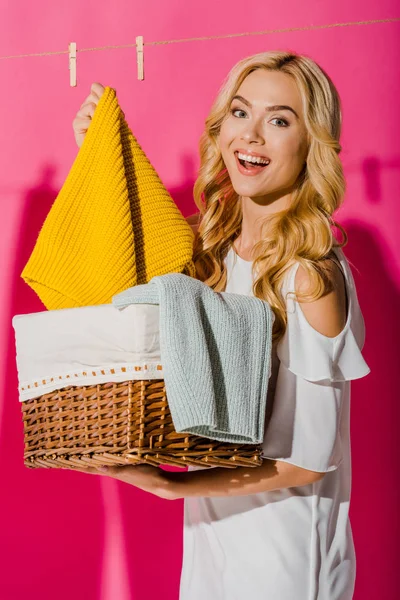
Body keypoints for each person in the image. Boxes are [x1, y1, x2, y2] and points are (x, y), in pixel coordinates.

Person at [73, 50, 371, 599]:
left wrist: (169, 488)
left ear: (312, 144)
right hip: (213, 539)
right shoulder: (210, 250)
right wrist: (97, 156)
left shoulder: (310, 273)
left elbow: (310, 460)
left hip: (287, 554)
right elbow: (124, 281)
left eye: (279, 120)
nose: (251, 136)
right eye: (240, 112)